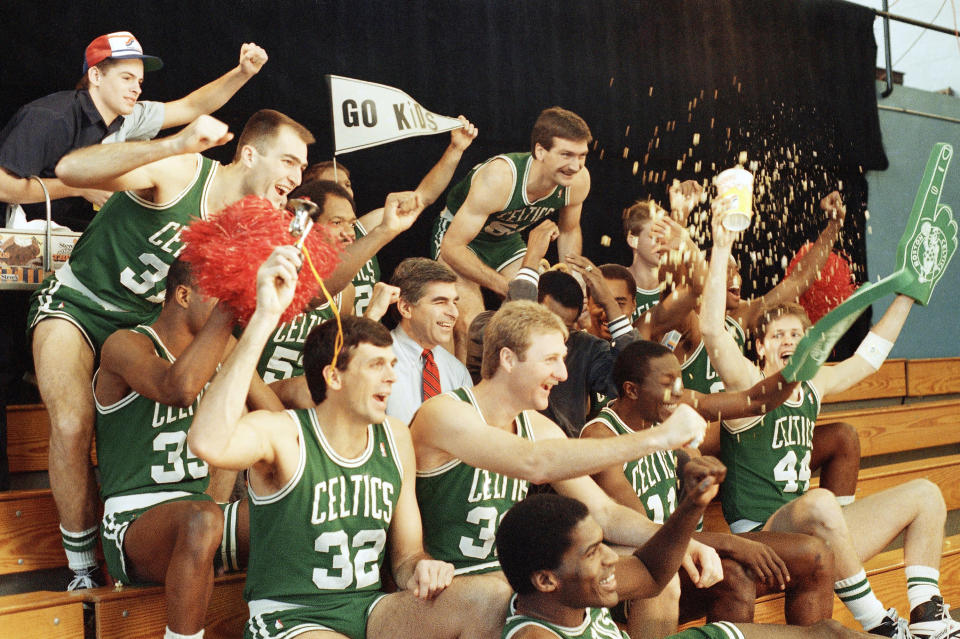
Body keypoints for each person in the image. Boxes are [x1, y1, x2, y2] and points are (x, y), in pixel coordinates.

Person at [27, 108, 312, 589]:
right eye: (288, 162)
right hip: (82, 304)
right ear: (247, 155)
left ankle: (210, 534)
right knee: (73, 421)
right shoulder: (185, 174)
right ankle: (82, 569)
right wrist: (175, 143)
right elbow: (70, 170)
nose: (296, 177)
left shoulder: (248, 225)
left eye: (303, 168)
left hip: (152, 324)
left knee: (232, 403)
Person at [188, 247, 514, 639]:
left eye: (393, 365)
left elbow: (407, 556)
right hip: (292, 616)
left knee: (493, 599)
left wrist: (424, 566)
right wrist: (262, 321)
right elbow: (207, 441)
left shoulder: (395, 437)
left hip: (369, 608)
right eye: (376, 366)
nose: (391, 378)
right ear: (335, 377)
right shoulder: (284, 433)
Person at [700, 209, 960, 639]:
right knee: (821, 502)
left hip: (811, 538)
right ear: (760, 346)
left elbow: (869, 358)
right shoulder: (750, 386)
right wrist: (722, 243)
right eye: (777, 336)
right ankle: (877, 622)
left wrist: (909, 294)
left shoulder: (813, 384)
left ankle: (928, 614)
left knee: (926, 495)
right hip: (763, 538)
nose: (787, 342)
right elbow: (711, 329)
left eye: (795, 335)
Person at [410, 300, 723, 592]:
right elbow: (533, 463)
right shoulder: (443, 413)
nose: (562, 374)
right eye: (551, 360)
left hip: (513, 581)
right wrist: (659, 437)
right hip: (449, 583)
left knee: (659, 575)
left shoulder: (539, 427)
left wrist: (679, 541)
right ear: (507, 358)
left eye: (562, 359)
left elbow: (606, 513)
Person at [581, 341, 835, 637]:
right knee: (734, 578)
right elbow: (645, 536)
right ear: (632, 390)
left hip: (688, 550)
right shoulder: (601, 437)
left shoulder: (668, 410)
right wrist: (731, 543)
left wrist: (799, 365)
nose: (678, 393)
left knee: (815, 555)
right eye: (667, 384)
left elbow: (754, 401)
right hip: (639, 573)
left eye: (680, 382)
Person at [94, 259, 268, 639]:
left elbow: (272, 412)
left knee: (289, 516)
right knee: (202, 519)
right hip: (132, 521)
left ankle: (281, 628)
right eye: (220, 296)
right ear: (183, 294)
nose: (230, 307)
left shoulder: (222, 348)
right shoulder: (125, 344)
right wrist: (228, 312)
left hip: (199, 516)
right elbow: (179, 389)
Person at [496, 492, 872, 639]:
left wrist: (694, 504)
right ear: (547, 580)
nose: (611, 556)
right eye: (594, 551)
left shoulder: (574, 593)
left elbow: (650, 571)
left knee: (829, 632)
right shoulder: (535, 637)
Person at [1, 31, 268, 230]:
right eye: (126, 78)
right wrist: (80, 188)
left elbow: (191, 106)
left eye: (139, 81)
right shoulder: (50, 117)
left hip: (73, 239)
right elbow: (4, 188)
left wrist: (242, 73)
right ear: (95, 76)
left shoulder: (129, 116)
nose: (137, 88)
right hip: (20, 243)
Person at [430, 107, 592, 358]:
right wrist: (508, 287)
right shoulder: (501, 177)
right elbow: (452, 247)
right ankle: (461, 394)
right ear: (540, 151)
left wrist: (577, 285)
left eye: (582, 156)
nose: (575, 165)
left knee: (542, 318)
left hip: (505, 241)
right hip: (460, 240)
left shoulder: (579, 181)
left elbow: (569, 232)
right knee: (470, 327)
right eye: (566, 155)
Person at [303, 115, 477, 315]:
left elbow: (422, 197)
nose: (344, 190)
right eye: (333, 184)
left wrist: (456, 149)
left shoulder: (365, 227)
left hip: (367, 333)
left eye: (347, 185)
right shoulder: (301, 242)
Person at [384, 257, 472, 423]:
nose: (454, 313)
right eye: (440, 302)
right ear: (405, 308)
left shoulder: (457, 372)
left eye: (454, 302)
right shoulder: (375, 360)